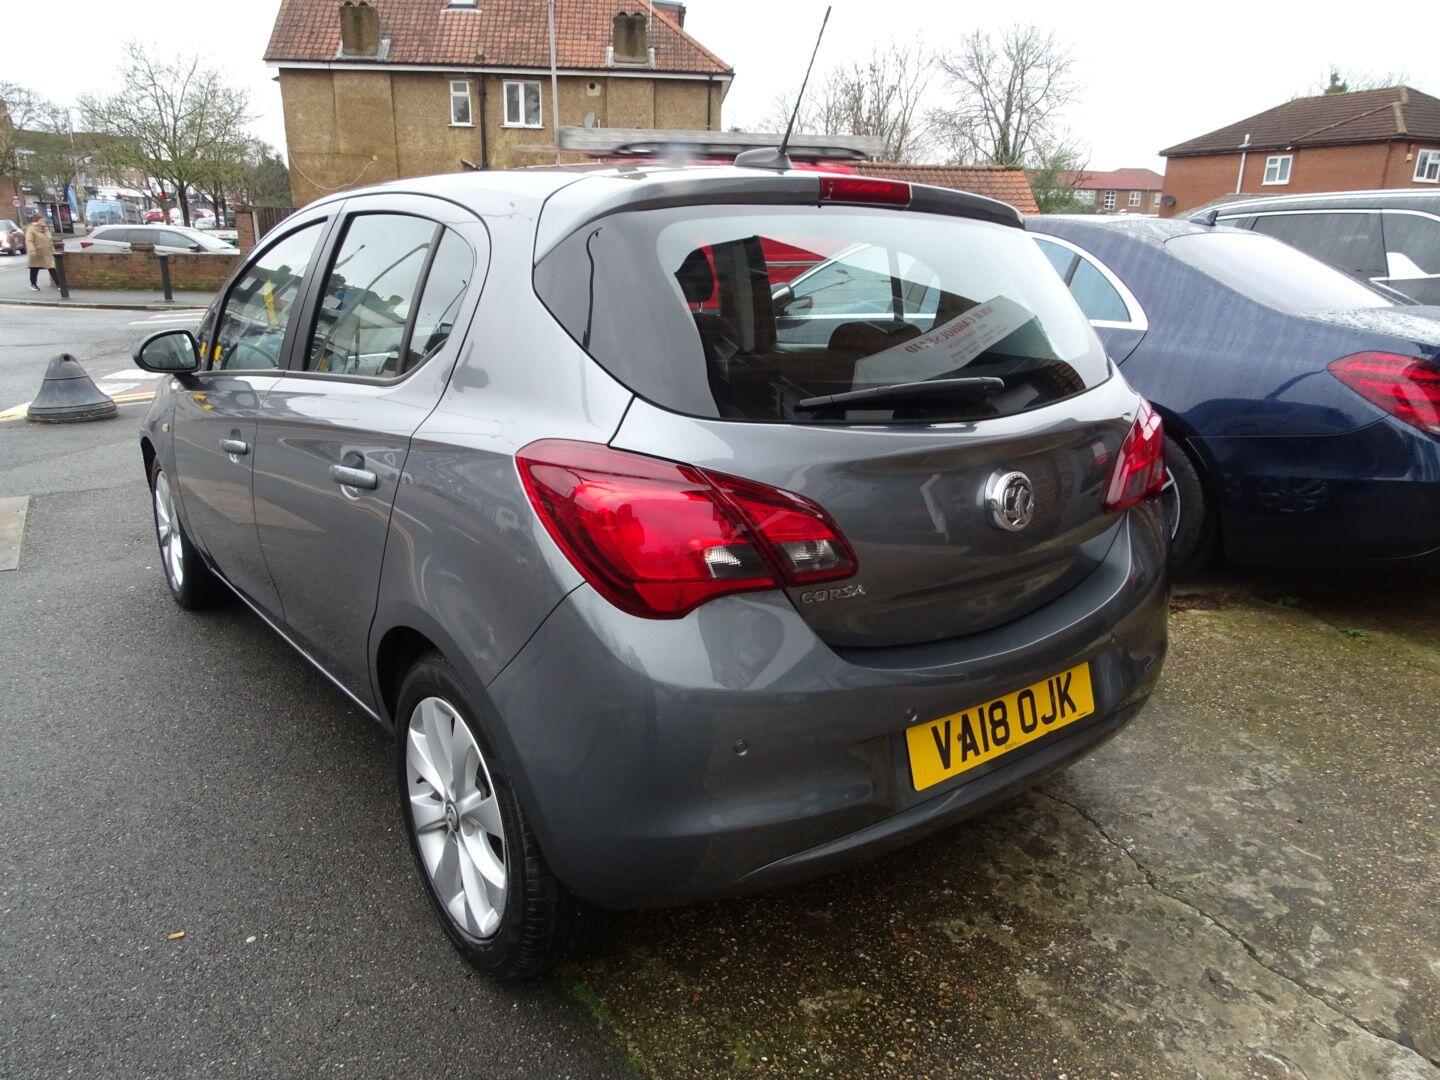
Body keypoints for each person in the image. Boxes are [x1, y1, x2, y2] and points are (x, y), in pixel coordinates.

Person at [25, 214, 58, 291]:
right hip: (37, 253)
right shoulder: (31, 229)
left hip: (47, 253)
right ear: (36, 221)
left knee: (52, 268)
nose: (43, 221)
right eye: (41, 220)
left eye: (43, 220)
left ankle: (59, 284)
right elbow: (29, 241)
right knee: (34, 269)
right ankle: (33, 284)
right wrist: (32, 250)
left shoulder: (45, 229)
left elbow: (50, 241)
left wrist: (53, 250)